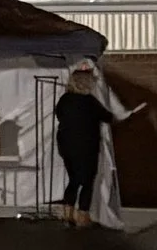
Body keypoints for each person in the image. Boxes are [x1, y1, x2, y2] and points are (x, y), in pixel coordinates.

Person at [53, 62, 150, 225]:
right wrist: (127, 116)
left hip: (66, 145)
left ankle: (67, 212)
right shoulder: (90, 102)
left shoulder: (64, 100)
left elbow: (59, 115)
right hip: (86, 146)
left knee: (74, 179)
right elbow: (108, 117)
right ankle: (82, 215)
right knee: (87, 181)